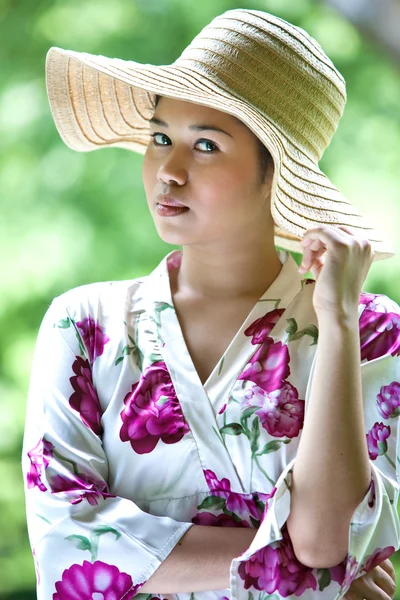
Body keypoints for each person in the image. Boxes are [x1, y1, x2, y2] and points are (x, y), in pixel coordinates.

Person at [22, 8, 399, 600]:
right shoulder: (83, 324)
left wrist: (339, 321)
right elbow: (66, 542)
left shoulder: (373, 333)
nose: (167, 171)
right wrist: (305, 575)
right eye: (161, 137)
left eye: (205, 145)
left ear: (277, 173)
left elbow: (330, 540)